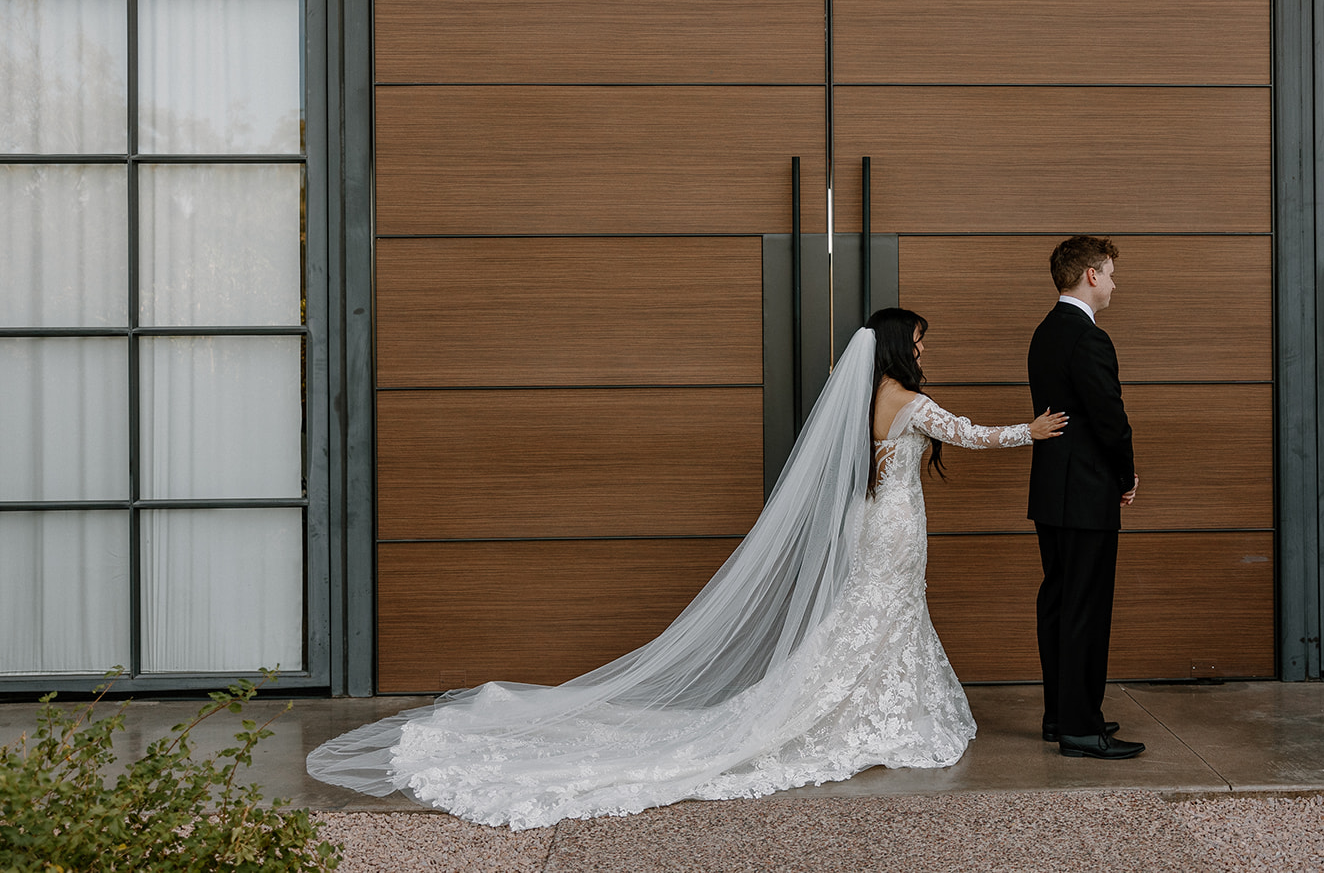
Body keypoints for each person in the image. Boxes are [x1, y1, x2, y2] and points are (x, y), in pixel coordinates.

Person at [307, 308, 1066, 829]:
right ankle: (866, 711)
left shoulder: (868, 395)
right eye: (923, 341)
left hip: (872, 522)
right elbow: (968, 433)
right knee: (884, 611)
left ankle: (871, 702)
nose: (927, 351)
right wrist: (1030, 430)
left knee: (874, 613)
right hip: (894, 526)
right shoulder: (908, 398)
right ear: (902, 347)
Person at [1027, 236, 1144, 760]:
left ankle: (1062, 714)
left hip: (1052, 491)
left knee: (1059, 602)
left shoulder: (1045, 332)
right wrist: (1126, 474)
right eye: (1111, 273)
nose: (1116, 283)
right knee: (1085, 609)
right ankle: (1079, 726)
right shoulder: (1088, 337)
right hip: (1086, 492)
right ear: (1091, 275)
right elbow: (1109, 420)